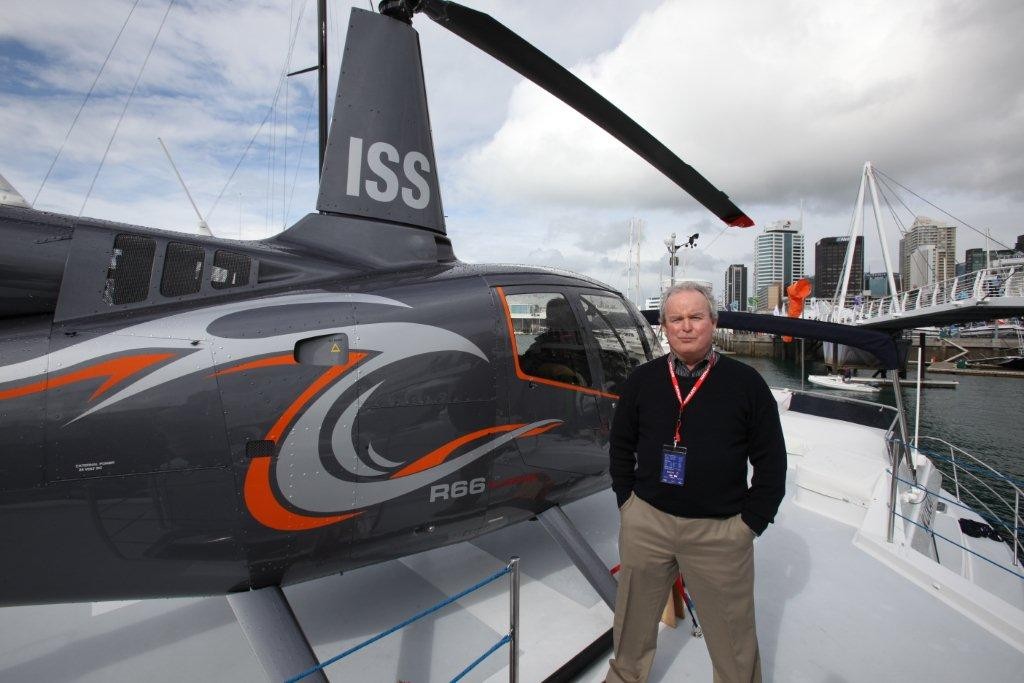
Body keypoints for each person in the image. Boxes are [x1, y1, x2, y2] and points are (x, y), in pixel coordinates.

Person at [605, 282, 787, 683]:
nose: (686, 327)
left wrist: (749, 524)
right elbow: (621, 444)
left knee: (733, 635)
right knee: (632, 621)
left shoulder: (746, 384)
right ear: (664, 328)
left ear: (713, 323)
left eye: (695, 317)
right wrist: (627, 503)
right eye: (676, 319)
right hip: (647, 522)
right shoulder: (642, 380)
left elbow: (771, 462)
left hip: (719, 531)